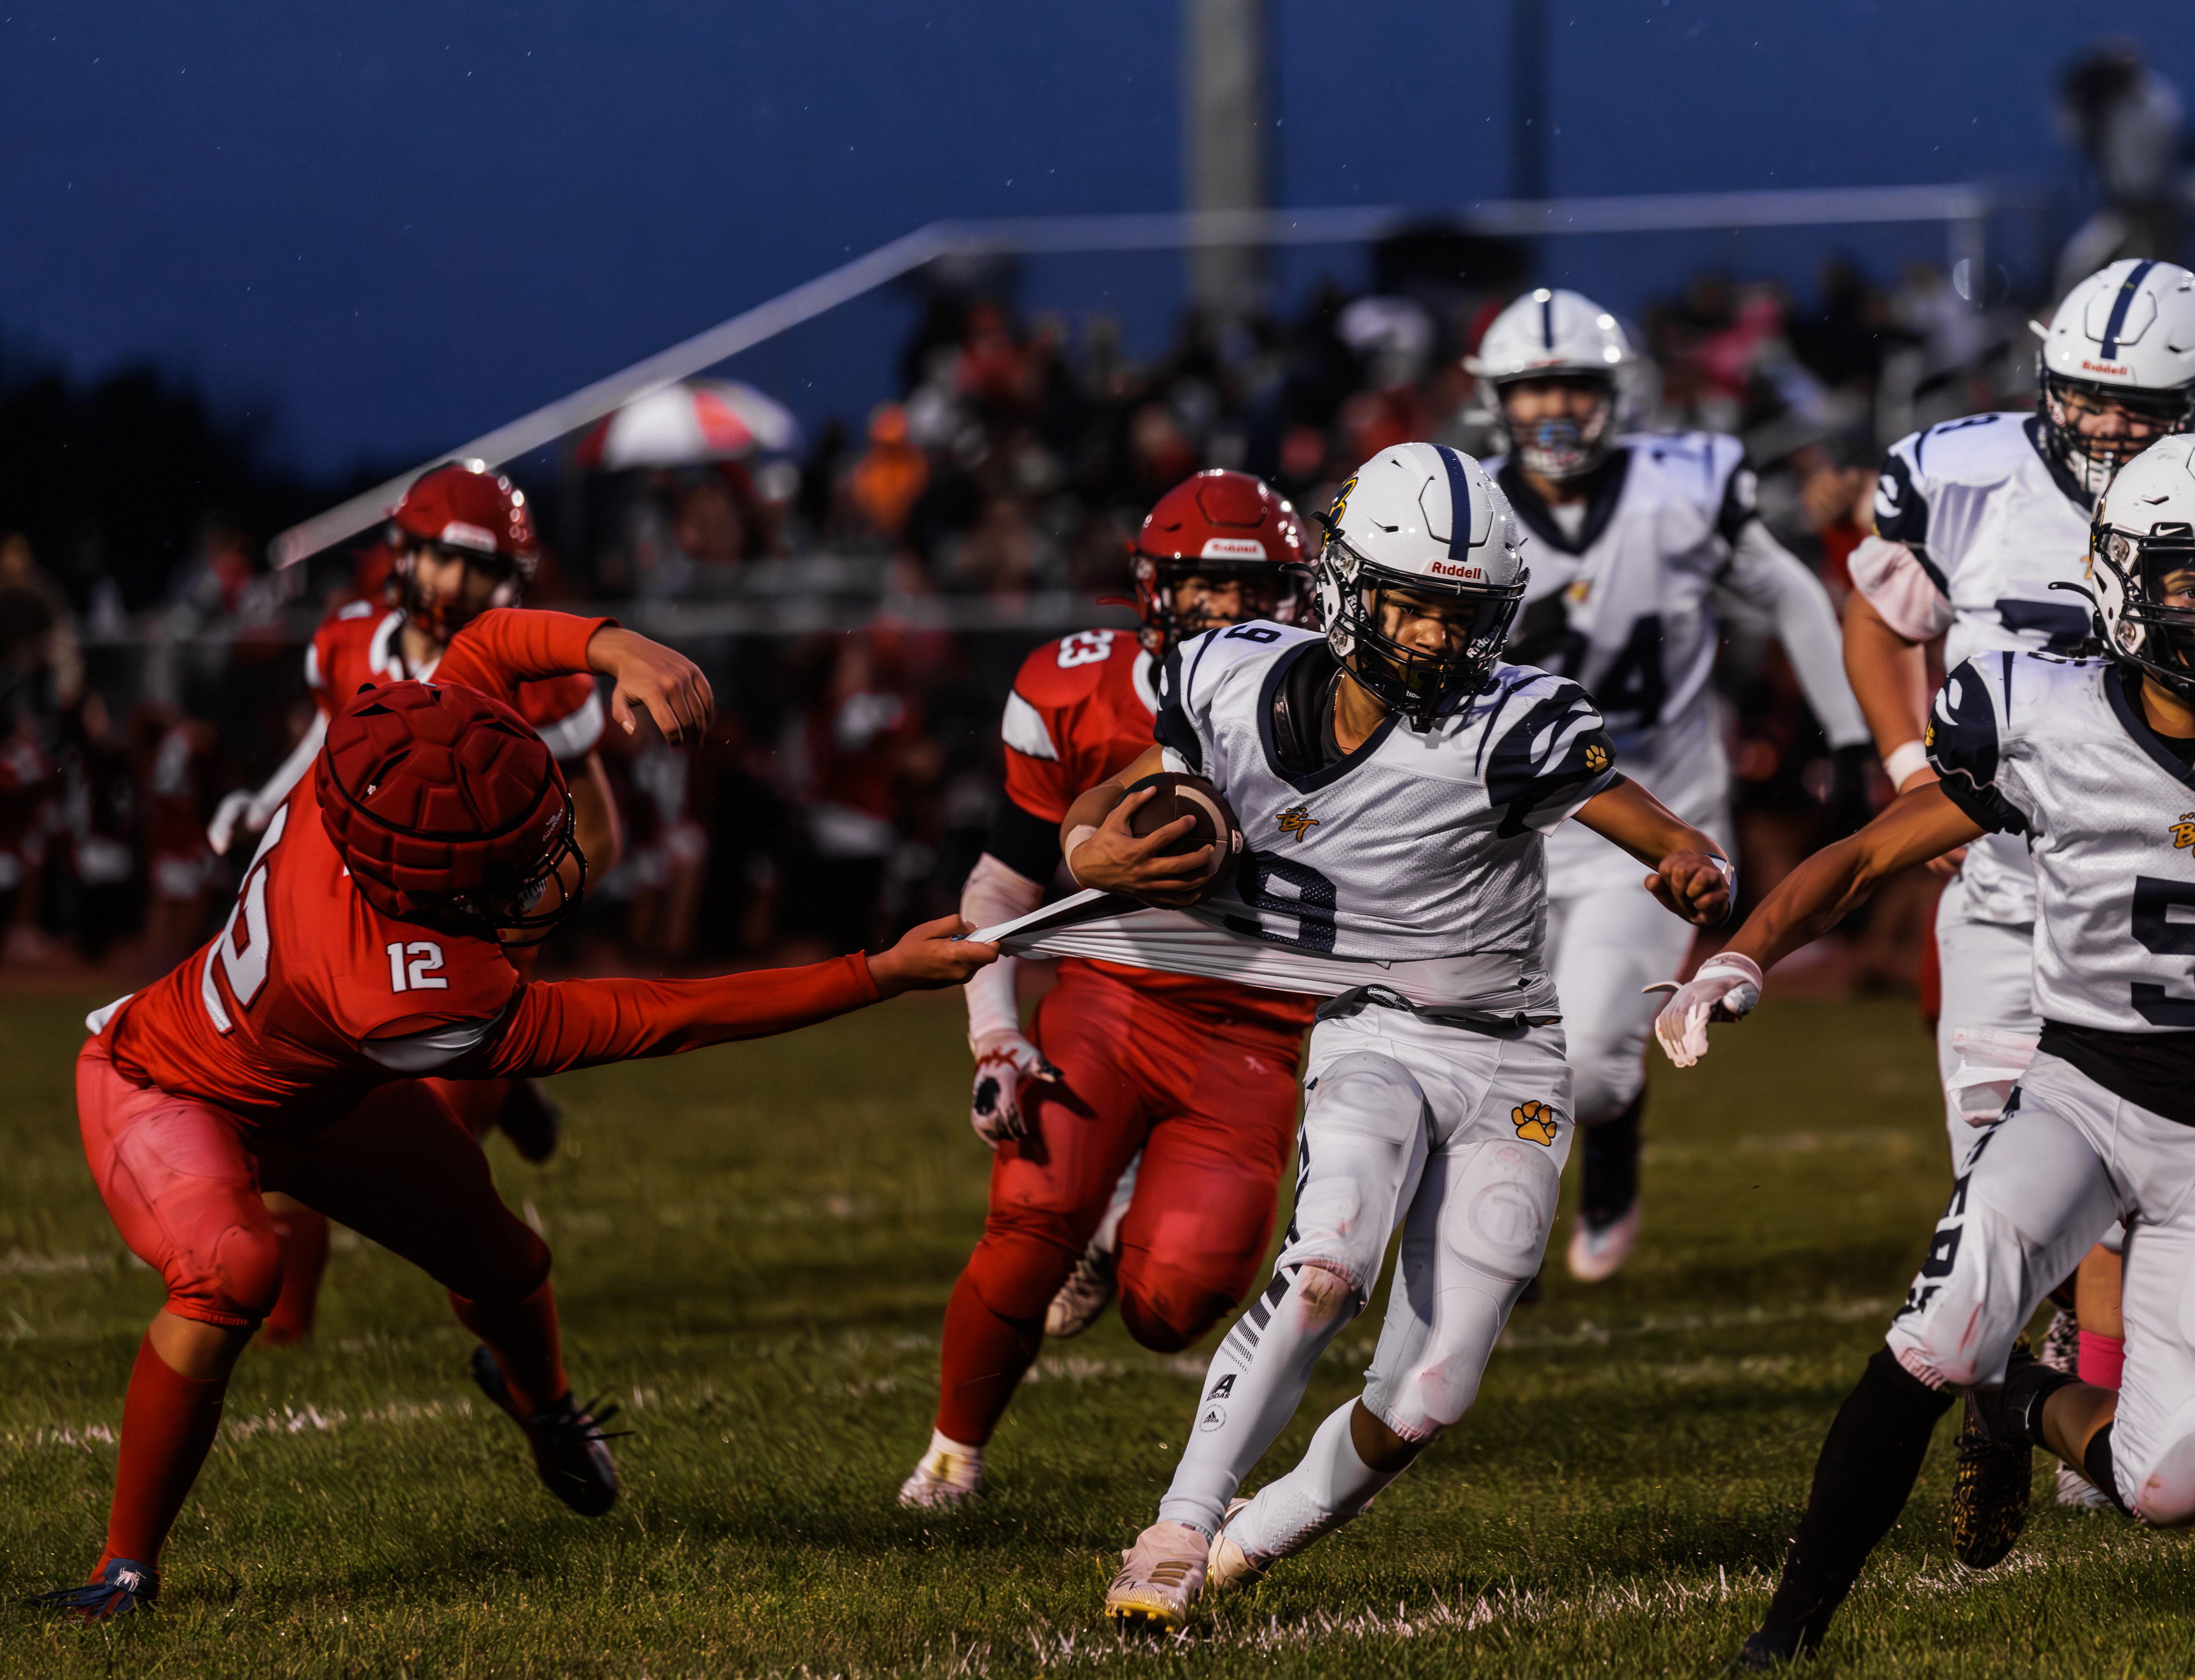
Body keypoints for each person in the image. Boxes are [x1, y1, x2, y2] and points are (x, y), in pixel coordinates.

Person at [1650, 435, 2195, 1667]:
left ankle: (2018, 1405)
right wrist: (1741, 956)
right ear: (2122, 582)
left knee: (2172, 1486)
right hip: (2082, 1089)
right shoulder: (2045, 713)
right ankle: (1784, 1637)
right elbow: (1863, 858)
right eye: (2191, 582)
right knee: (1935, 1333)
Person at [41, 680, 994, 1621]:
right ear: (420, 879)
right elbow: (660, 1018)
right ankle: (125, 1568)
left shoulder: (367, 766)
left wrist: (609, 645)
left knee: (505, 1261)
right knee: (236, 1271)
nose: (533, 860)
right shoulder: (397, 990)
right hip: (167, 1091)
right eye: (495, 857)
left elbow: (485, 648)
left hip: (307, 1087)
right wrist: (876, 973)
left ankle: (543, 1405)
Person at [1067, 442, 1734, 1630]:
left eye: (1461, 615)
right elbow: (1118, 798)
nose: (1434, 638)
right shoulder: (1222, 674)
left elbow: (1649, 819)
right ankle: (1176, 1527)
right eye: (1413, 605)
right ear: (1341, 584)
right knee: (1324, 1269)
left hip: (1514, 1052)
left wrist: (1687, 864)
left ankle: (1243, 1548)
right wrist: (1090, 850)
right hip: (1371, 1029)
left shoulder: (1513, 720)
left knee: (1431, 1389)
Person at [1841, 258, 2195, 1518]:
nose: (2104, 426)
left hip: (2178, 861)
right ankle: (2029, 1381)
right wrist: (1903, 764)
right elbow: (1878, 616)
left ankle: (2075, 1393)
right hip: (2005, 876)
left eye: (2139, 405)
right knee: (2016, 1186)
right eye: (2083, 397)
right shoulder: (1959, 472)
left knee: (2139, 1171)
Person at [208, 461, 710, 1347]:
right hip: (360, 914)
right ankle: (288, 1329)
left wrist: (506, 933)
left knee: (434, 1164)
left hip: (472, 929)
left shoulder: (530, 673)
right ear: (404, 553)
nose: (465, 586)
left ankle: (518, 1342)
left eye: (485, 570)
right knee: (291, 1096)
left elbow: (595, 826)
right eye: (448, 561)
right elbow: (334, 741)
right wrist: (266, 801)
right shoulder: (350, 640)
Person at [899, 470, 1319, 1509]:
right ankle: (951, 1457)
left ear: (1298, 598)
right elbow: (1006, 878)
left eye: (1254, 591)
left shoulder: (1338, 707)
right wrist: (995, 1036)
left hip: (1256, 1022)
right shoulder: (1075, 686)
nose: (1226, 615)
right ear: (1150, 589)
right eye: (1203, 590)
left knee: (1170, 1305)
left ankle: (1120, 1222)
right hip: (1111, 994)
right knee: (1029, 1219)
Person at [1471, 287, 1871, 1282]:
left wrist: (1854, 740)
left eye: (1574, 386)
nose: (1554, 410)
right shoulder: (1462, 505)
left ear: (1621, 393)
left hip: (1652, 827)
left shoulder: (1682, 485)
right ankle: (1481, 1248)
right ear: (1496, 403)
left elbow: (1785, 591)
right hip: (1498, 827)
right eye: (1533, 391)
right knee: (1473, 1058)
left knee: (1593, 1060)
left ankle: (1610, 1135)